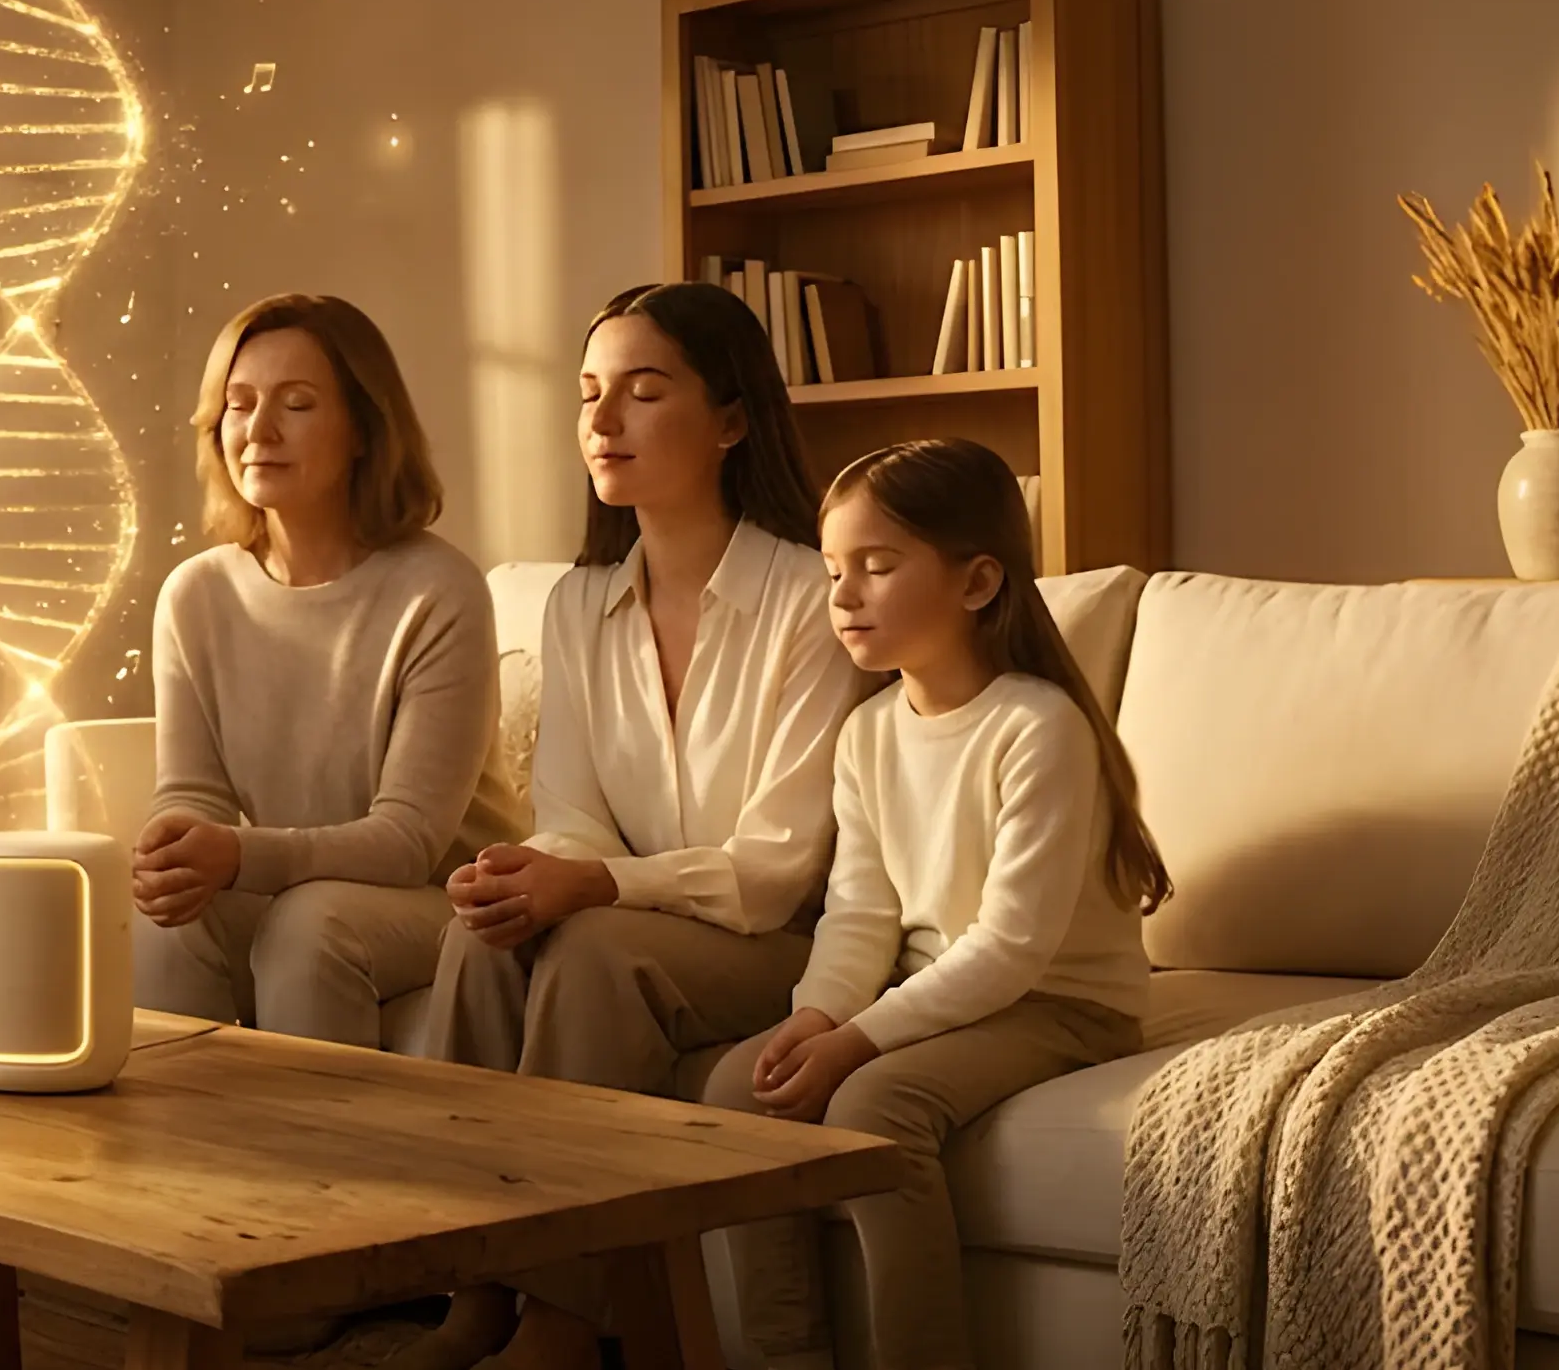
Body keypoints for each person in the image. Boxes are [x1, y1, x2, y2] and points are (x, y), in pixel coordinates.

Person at [408, 280, 866, 1368]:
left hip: (783, 939)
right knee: (480, 932)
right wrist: (535, 869)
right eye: (588, 395)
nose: (603, 422)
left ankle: (565, 1319)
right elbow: (574, 813)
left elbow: (779, 862)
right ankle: (472, 1294)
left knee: (598, 955)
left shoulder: (815, 596)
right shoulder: (577, 603)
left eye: (643, 391)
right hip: (650, 915)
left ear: (733, 420)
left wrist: (599, 887)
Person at [700, 438, 1169, 1370]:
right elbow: (859, 914)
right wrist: (814, 1015)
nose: (842, 595)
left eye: (876, 566)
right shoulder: (867, 734)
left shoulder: (1037, 727)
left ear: (977, 580)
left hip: (1061, 1005)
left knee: (874, 1104)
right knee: (731, 1092)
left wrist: (857, 1041)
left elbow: (1010, 948)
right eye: (835, 569)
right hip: (935, 988)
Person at [132, 293, 523, 1051]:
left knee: (309, 926)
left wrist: (239, 854)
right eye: (238, 404)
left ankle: (320, 1168)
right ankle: (178, 1156)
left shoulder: (437, 589)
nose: (259, 431)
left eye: (297, 404)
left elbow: (407, 839)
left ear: (362, 431)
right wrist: (170, 851)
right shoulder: (196, 593)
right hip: (302, 888)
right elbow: (191, 792)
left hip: (443, 899)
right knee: (166, 920)